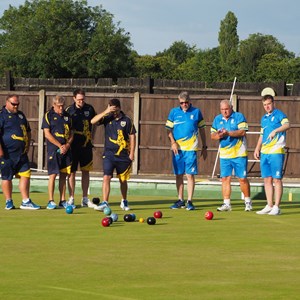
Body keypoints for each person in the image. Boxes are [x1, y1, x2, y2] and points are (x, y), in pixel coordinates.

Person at [91, 98, 136, 211]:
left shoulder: (127, 120)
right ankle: (105, 202)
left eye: (115, 110)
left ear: (119, 108)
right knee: (106, 177)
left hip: (123, 155)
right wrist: (106, 111)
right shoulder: (107, 117)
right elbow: (93, 121)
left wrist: (132, 152)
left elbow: (132, 136)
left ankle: (124, 201)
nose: (114, 113)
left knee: (123, 180)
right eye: (112, 110)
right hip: (109, 154)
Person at [166, 91, 207, 211]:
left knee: (190, 175)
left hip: (191, 149)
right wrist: (173, 143)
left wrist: (204, 146)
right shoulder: (174, 112)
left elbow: (202, 130)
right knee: (178, 174)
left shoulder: (196, 112)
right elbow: (168, 130)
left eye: (186, 102)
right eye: (182, 103)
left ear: (190, 101)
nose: (184, 105)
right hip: (177, 149)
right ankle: (180, 200)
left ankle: (189, 201)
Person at [0, 95, 40, 210]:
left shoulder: (21, 115)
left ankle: (26, 200)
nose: (16, 106)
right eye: (13, 104)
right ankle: (8, 201)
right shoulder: (1, 115)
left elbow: (28, 130)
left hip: (21, 153)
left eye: (17, 104)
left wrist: (26, 146)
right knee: (7, 177)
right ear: (7, 102)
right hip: (7, 154)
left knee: (26, 174)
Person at [211, 99, 252, 212]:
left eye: (226, 109)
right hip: (225, 154)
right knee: (225, 178)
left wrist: (228, 133)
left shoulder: (239, 116)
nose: (224, 112)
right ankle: (226, 204)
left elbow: (243, 131)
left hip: (239, 153)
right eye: (222, 110)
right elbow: (212, 135)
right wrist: (219, 135)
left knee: (242, 178)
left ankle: (248, 202)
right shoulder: (217, 119)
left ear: (231, 108)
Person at [254, 94, 290, 215]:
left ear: (273, 103)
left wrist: (276, 130)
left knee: (277, 179)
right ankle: (269, 205)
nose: (267, 107)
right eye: (264, 105)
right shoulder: (263, 118)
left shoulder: (279, 114)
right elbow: (261, 135)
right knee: (267, 179)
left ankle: (276, 207)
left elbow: (287, 125)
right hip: (265, 152)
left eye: (268, 104)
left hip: (276, 151)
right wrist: (257, 148)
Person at [42, 95, 74, 210]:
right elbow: (47, 134)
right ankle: (51, 201)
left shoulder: (67, 116)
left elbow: (71, 133)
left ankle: (62, 200)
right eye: (59, 106)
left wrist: (67, 145)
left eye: (63, 106)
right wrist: (59, 145)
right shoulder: (48, 115)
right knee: (53, 175)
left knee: (64, 175)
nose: (61, 109)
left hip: (66, 150)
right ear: (53, 105)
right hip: (53, 150)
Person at [65, 89, 96, 208]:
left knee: (86, 171)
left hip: (86, 146)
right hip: (72, 146)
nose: (81, 101)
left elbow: (94, 123)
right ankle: (71, 198)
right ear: (74, 98)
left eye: (83, 99)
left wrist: (91, 137)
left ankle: (84, 198)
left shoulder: (90, 109)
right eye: (79, 99)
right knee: (71, 172)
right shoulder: (69, 110)